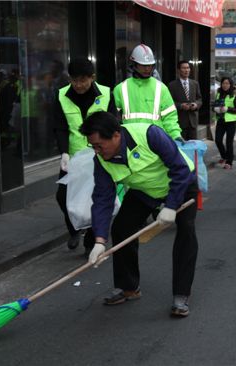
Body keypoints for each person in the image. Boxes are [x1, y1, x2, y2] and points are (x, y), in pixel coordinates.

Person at [79, 111, 198, 317]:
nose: (96, 151)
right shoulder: (102, 160)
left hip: (180, 185)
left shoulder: (150, 134)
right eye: (93, 146)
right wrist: (99, 240)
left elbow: (179, 169)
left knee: (186, 231)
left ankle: (181, 294)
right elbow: (102, 200)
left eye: (99, 145)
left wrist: (171, 206)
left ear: (116, 135)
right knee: (122, 227)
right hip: (144, 191)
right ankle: (129, 287)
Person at [53, 58, 118, 255]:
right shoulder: (62, 95)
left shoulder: (106, 94)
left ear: (92, 78)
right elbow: (60, 127)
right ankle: (74, 229)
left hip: (100, 154)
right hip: (73, 156)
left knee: (96, 197)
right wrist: (63, 151)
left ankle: (91, 238)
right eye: (75, 80)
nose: (79, 85)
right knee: (62, 196)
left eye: (83, 80)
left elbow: (113, 124)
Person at [113, 44, 182, 141]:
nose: (147, 69)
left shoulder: (161, 88)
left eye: (150, 65)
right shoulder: (120, 89)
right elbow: (112, 118)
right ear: (134, 64)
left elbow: (170, 116)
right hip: (131, 141)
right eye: (144, 65)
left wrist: (175, 135)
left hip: (155, 141)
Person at [168, 60, 203, 140]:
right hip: (179, 122)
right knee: (181, 148)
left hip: (192, 122)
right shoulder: (172, 85)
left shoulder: (195, 83)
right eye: (184, 68)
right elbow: (169, 102)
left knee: (193, 147)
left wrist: (196, 105)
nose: (186, 70)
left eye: (188, 68)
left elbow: (199, 99)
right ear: (178, 70)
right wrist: (180, 106)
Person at [212, 77, 236, 169]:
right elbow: (214, 105)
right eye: (223, 83)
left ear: (231, 84)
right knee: (218, 140)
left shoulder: (234, 95)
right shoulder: (218, 93)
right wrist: (214, 109)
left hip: (231, 122)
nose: (225, 85)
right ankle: (224, 156)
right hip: (220, 120)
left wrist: (228, 109)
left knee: (229, 142)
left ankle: (229, 162)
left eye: (227, 83)